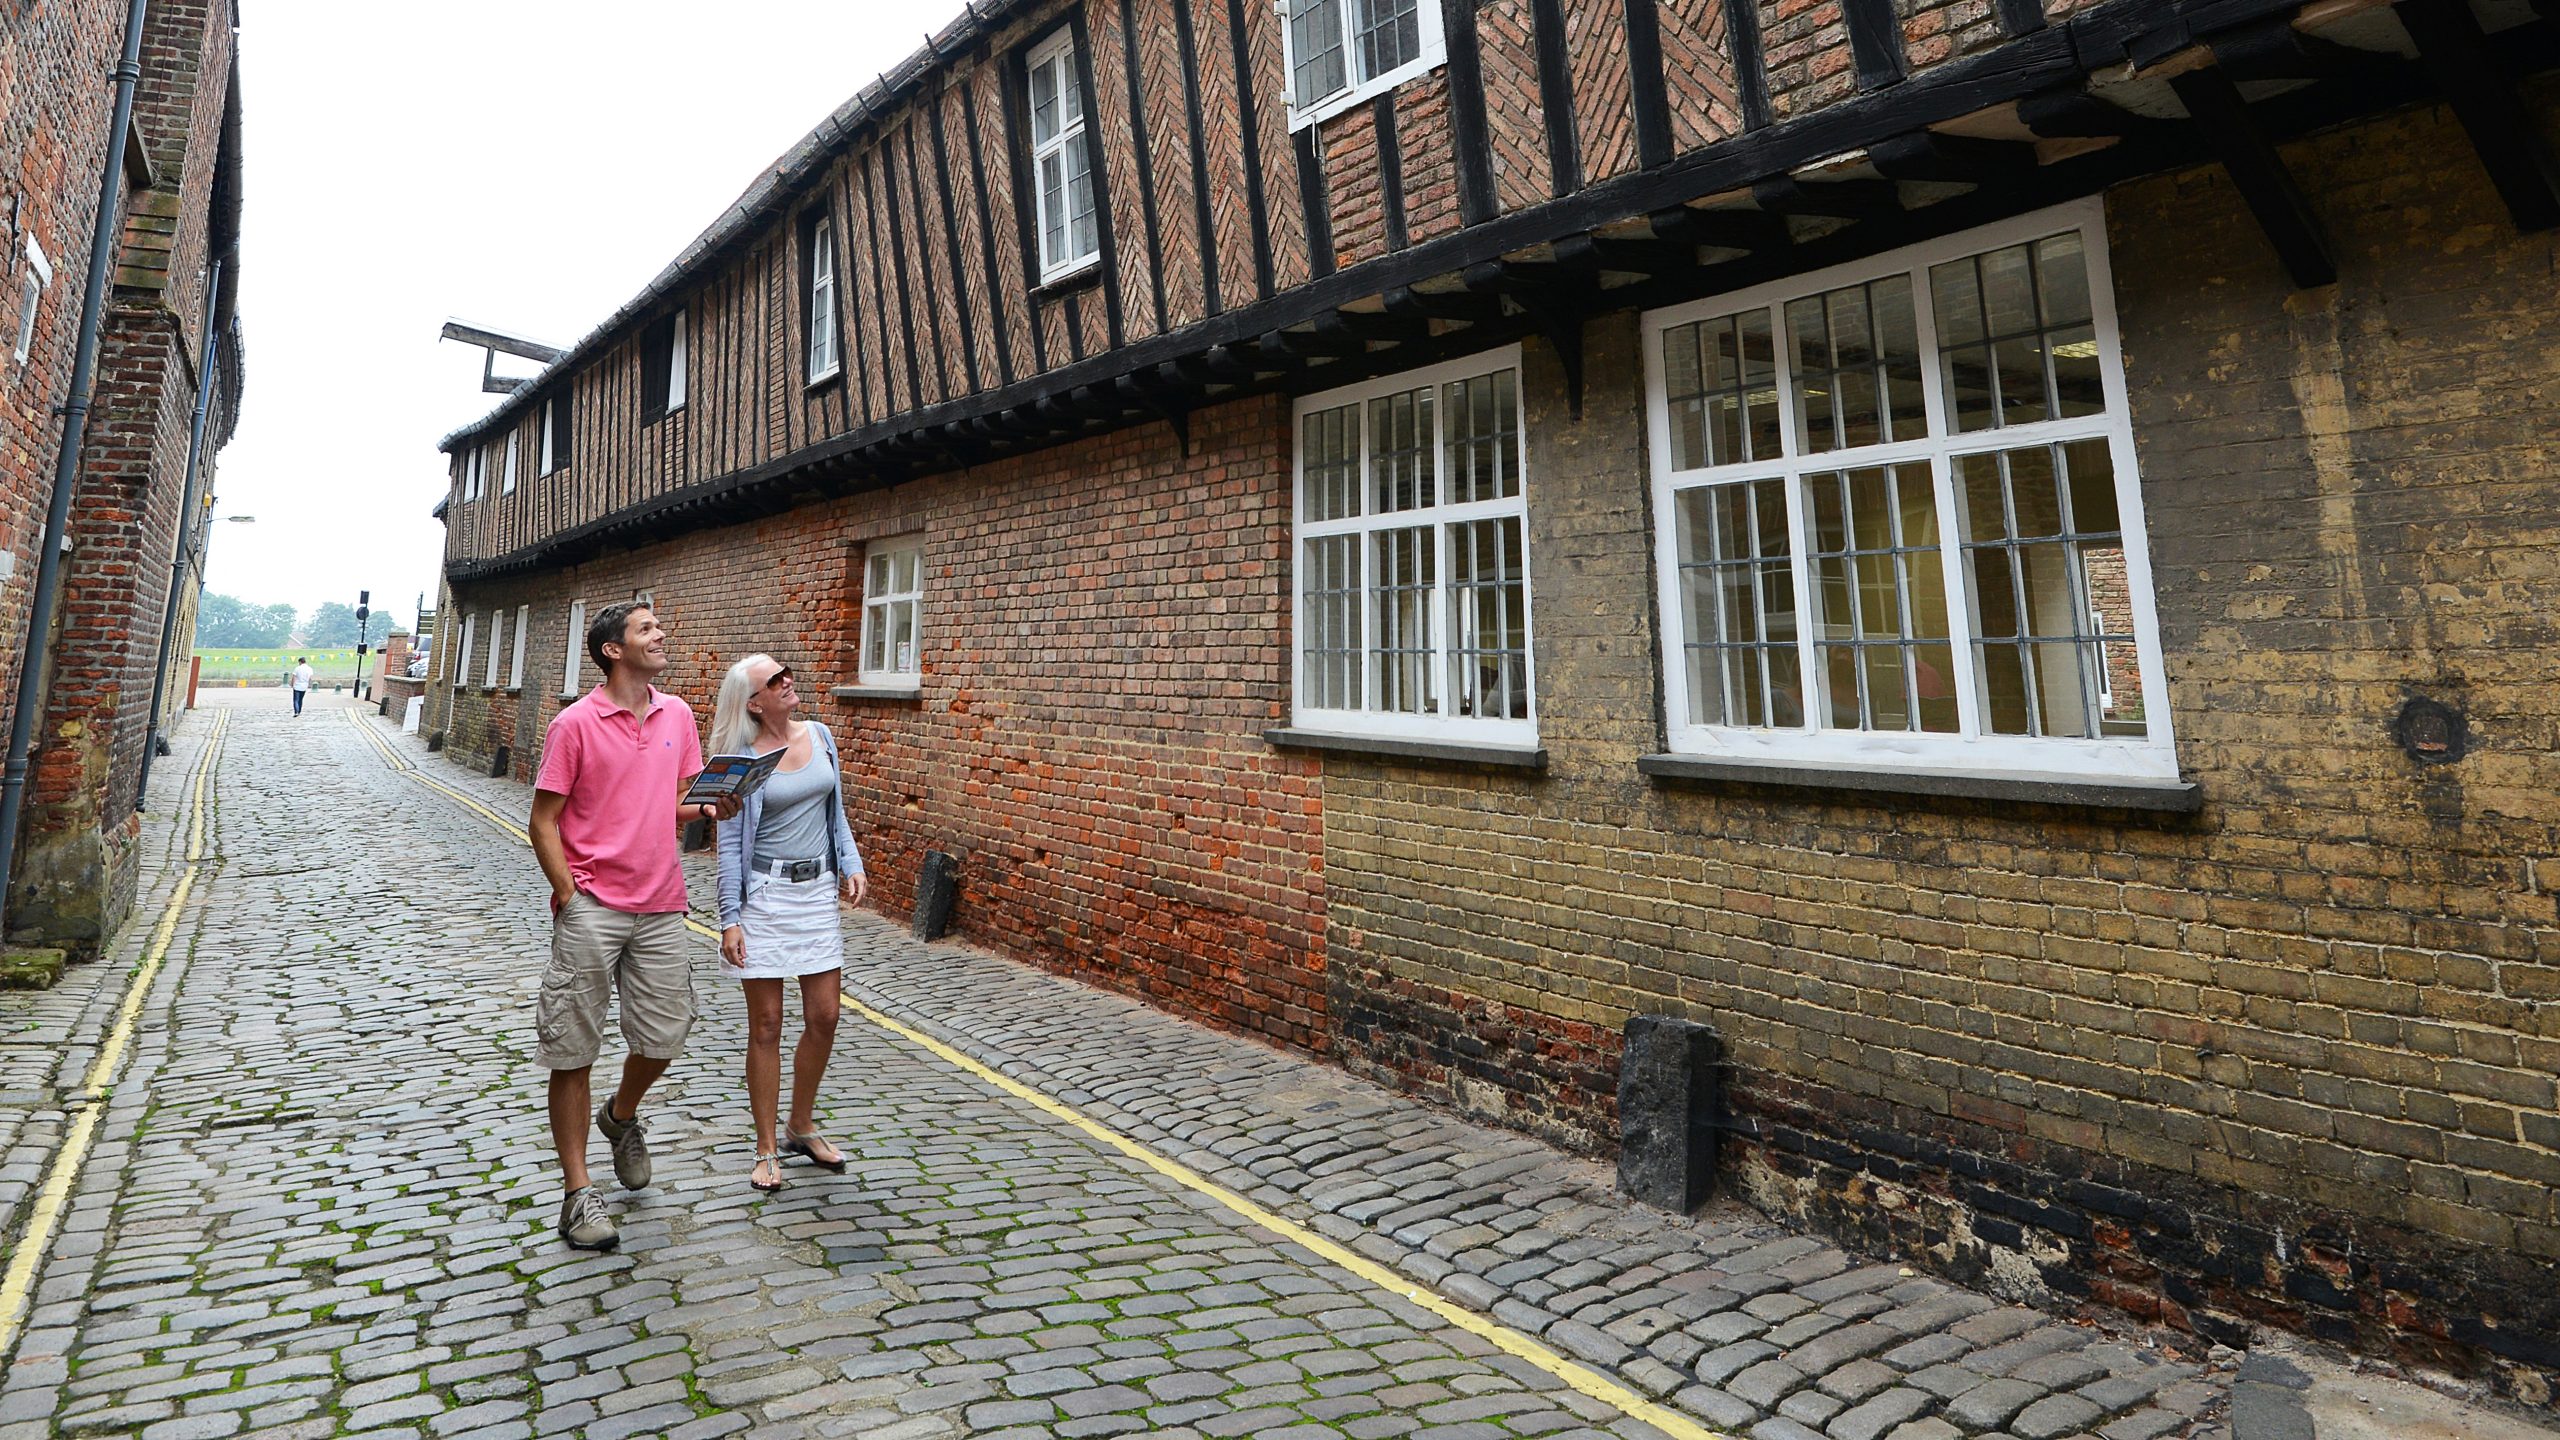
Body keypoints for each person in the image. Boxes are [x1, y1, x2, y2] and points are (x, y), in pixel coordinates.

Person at [529, 601, 739, 1251]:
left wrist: (716, 801)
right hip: (593, 903)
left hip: (662, 903)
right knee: (573, 1046)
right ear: (612, 650)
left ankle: (620, 1117)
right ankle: (577, 1193)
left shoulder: (677, 714)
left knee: (665, 1036)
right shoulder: (574, 725)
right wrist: (568, 891)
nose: (661, 634)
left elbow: (680, 803)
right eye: (647, 629)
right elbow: (543, 821)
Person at [710, 653, 866, 1194]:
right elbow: (729, 843)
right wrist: (730, 919)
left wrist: (851, 862)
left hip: (817, 892)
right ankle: (766, 1148)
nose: (787, 682)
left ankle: (801, 1124)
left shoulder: (820, 735)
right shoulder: (739, 760)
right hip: (765, 897)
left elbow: (835, 809)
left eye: (786, 674)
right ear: (753, 702)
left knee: (825, 1016)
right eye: (774, 681)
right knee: (768, 1025)